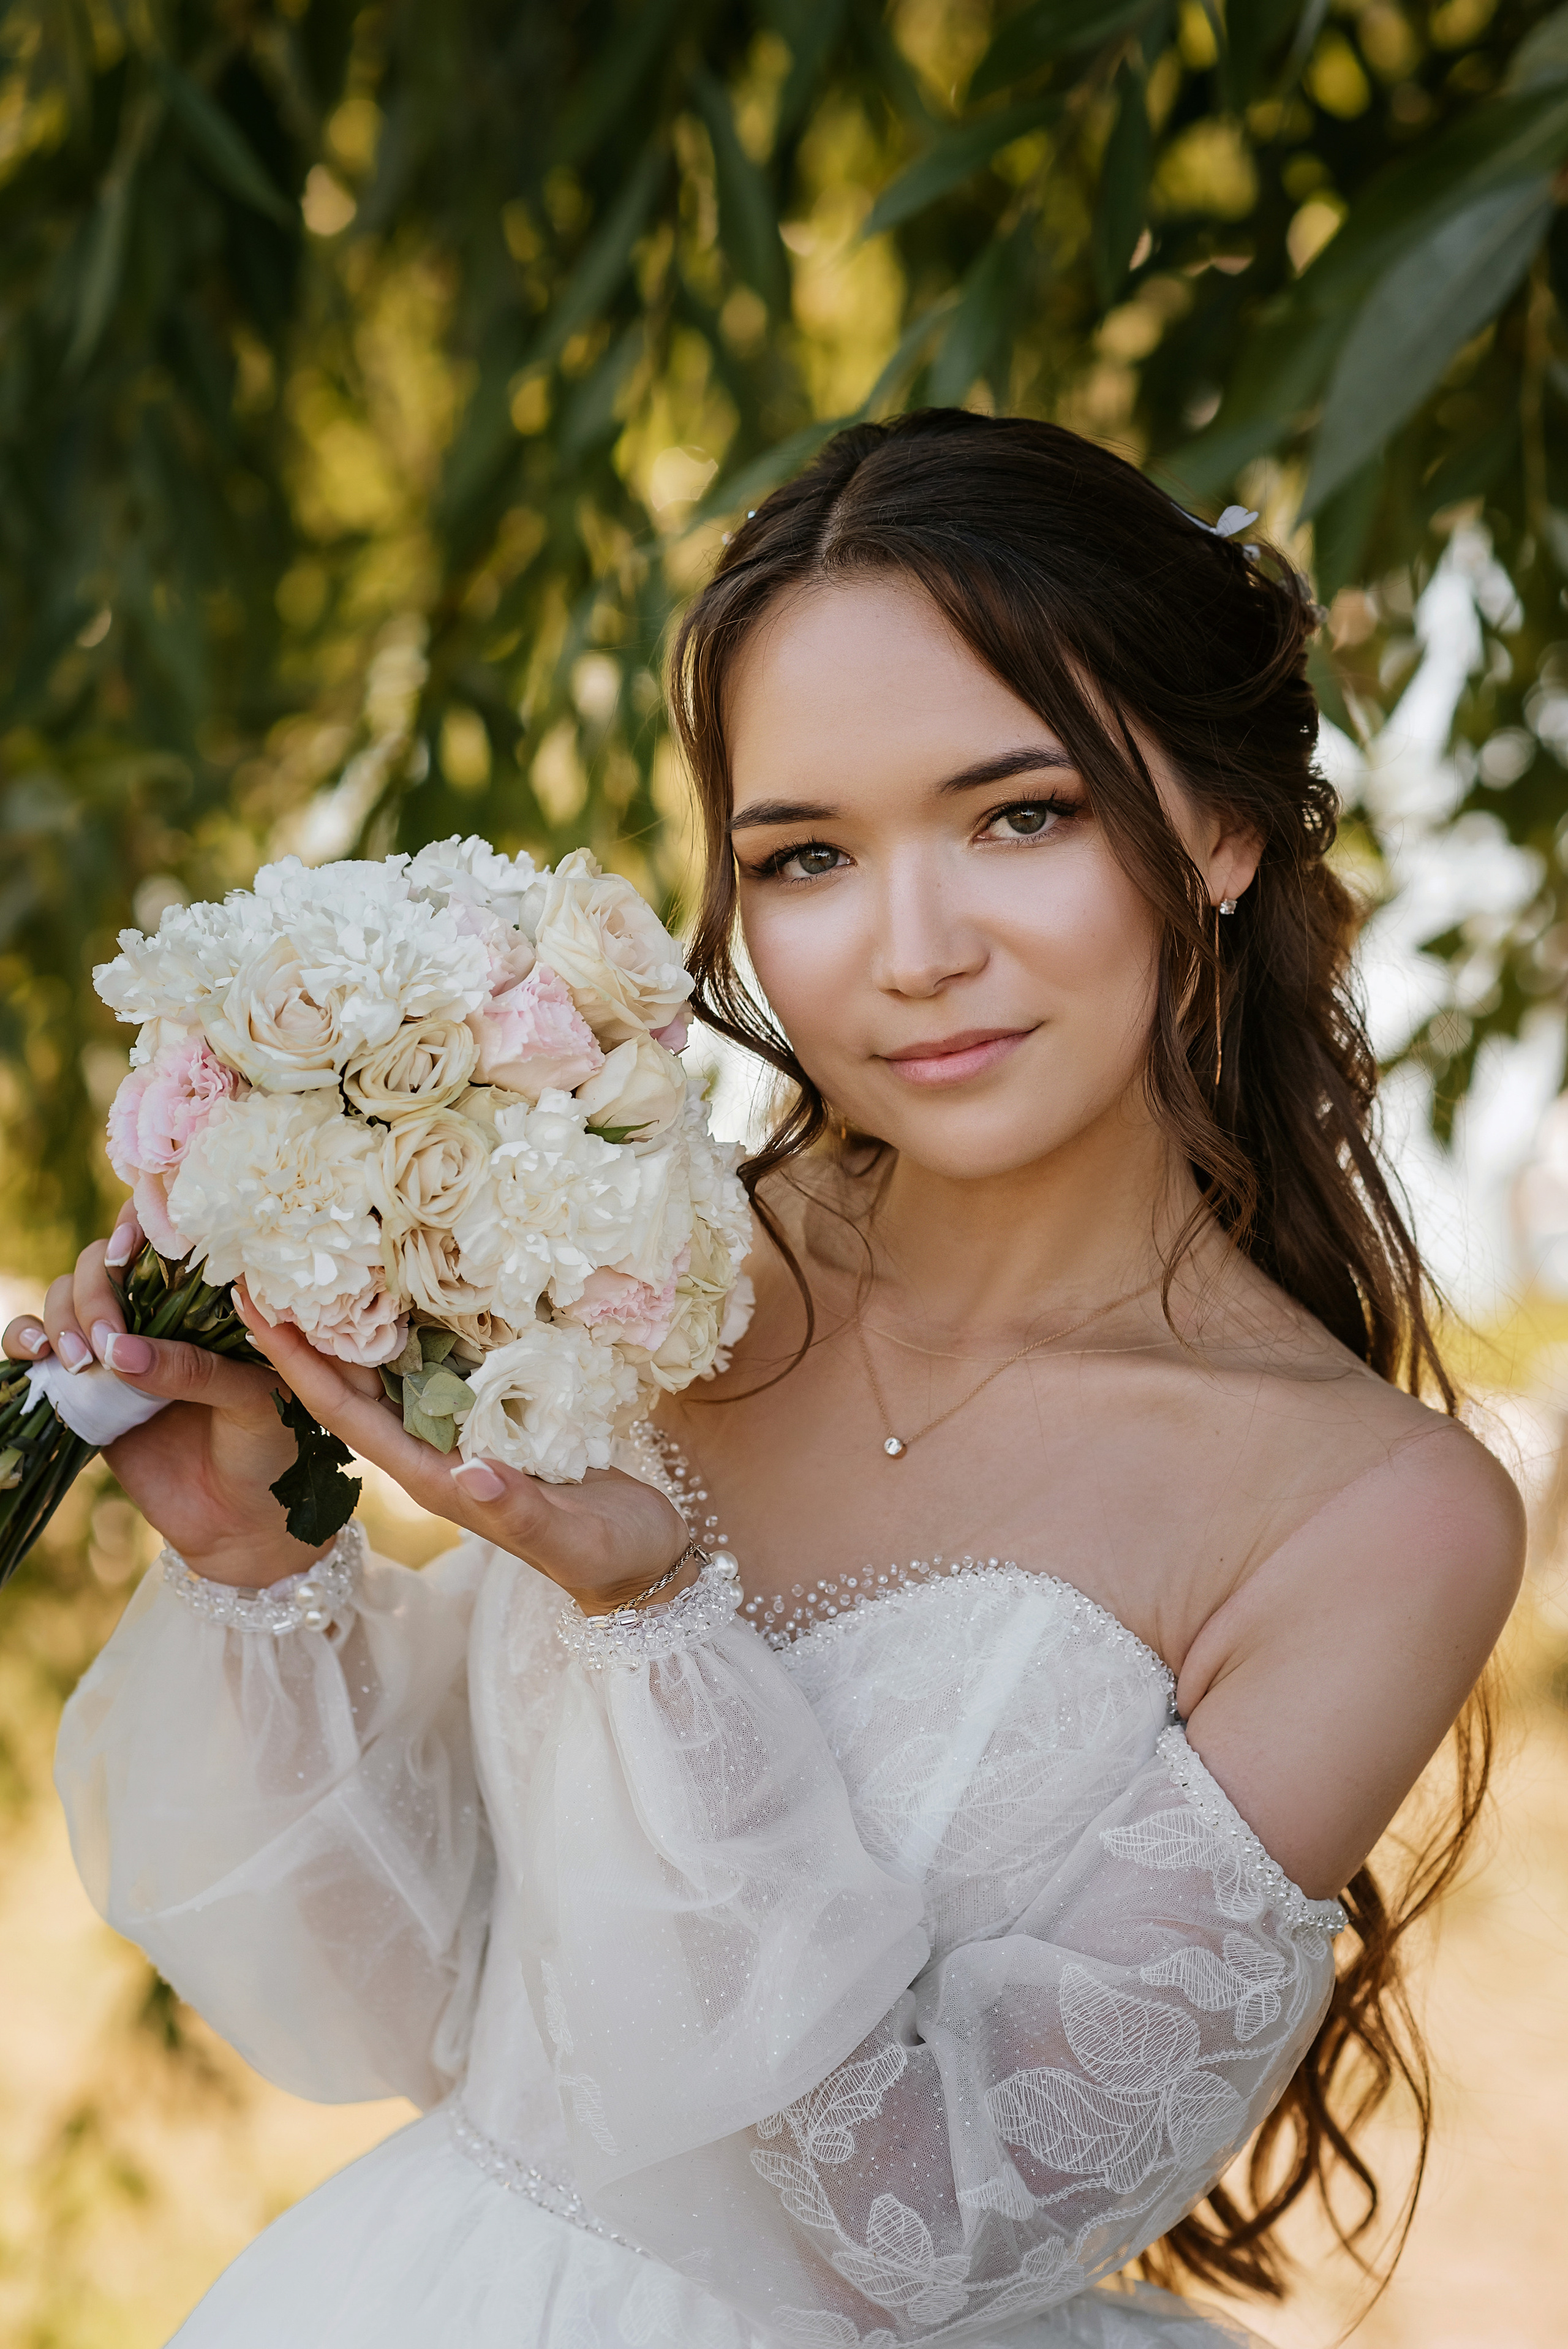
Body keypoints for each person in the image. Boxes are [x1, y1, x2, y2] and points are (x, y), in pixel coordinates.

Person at [17, 411, 1521, 2349]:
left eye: (1022, 814)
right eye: (806, 855)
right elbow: (443, 1999)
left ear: (1220, 827)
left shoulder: (1374, 1515)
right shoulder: (647, 1268)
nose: (914, 952)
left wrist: (659, 1619)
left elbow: (937, 2229)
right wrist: (261, 1562)